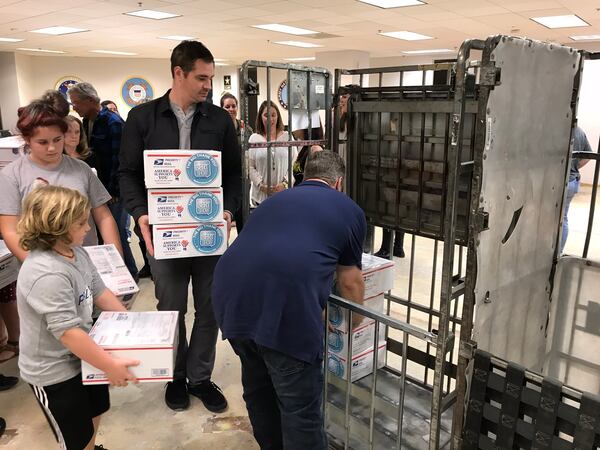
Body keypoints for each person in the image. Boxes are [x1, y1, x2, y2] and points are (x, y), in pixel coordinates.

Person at [212, 150, 366, 450]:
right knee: (300, 413)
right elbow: (350, 281)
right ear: (338, 183)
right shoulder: (348, 209)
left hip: (229, 299)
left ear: (305, 176)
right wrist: (353, 324)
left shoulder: (274, 201)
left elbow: (285, 256)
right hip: (284, 314)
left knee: (260, 391)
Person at [119, 40, 242, 412]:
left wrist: (230, 211)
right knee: (170, 307)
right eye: (201, 78)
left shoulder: (220, 121)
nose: (208, 86)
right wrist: (140, 213)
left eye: (211, 78)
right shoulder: (142, 119)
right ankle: (175, 376)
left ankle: (200, 378)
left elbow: (234, 175)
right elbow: (126, 174)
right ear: (178, 73)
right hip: (163, 236)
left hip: (208, 235)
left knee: (210, 308)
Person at [16, 185, 138, 450]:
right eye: (81, 223)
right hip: (53, 371)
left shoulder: (76, 252)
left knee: (95, 411)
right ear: (56, 227)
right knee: (75, 434)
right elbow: (68, 333)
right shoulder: (45, 273)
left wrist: (132, 323)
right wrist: (109, 364)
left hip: (84, 355)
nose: (88, 228)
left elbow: (99, 292)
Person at [0, 100, 123, 262]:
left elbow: (104, 216)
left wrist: (117, 261)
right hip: (42, 266)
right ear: (27, 140)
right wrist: (38, 267)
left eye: (57, 140)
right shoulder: (12, 175)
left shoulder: (81, 169)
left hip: (86, 261)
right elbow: (10, 230)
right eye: (42, 142)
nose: (51, 148)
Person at [69, 82, 137, 278]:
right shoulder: (87, 122)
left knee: (116, 233)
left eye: (77, 103)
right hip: (97, 188)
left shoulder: (112, 123)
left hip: (112, 191)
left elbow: (119, 161)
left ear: (90, 101)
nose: (75, 107)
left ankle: (128, 275)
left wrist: (114, 192)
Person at [248, 100, 298, 206]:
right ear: (260, 117)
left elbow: (294, 164)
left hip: (284, 195)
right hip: (260, 198)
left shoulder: (287, 137)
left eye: (273, 115)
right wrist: (262, 186)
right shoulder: (254, 139)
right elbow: (250, 167)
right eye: (266, 115)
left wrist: (285, 183)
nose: (270, 119)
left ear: (278, 117)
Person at [562, 126, 593, 252]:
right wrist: (574, 167)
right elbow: (588, 155)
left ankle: (555, 253)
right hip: (573, 181)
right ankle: (559, 252)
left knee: (556, 219)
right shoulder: (580, 131)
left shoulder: (560, 129)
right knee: (563, 218)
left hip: (563, 182)